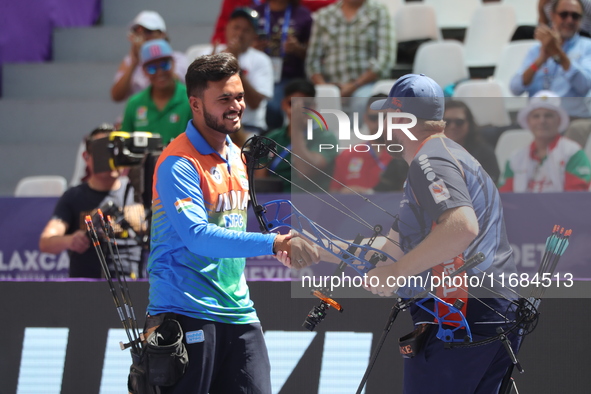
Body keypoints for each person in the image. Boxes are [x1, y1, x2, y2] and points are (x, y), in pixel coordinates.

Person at [296, 74, 522, 392]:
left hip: (463, 314)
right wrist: (318, 246)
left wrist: (398, 272)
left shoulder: (431, 159)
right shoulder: (443, 155)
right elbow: (390, 247)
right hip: (484, 313)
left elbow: (462, 226)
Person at [146, 53, 318, 393]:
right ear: (195, 104)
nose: (236, 105)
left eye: (238, 96)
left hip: (238, 312)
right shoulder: (177, 163)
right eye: (224, 98)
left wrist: (281, 246)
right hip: (184, 310)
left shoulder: (238, 158)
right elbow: (197, 236)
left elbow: (232, 231)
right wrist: (274, 243)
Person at [39, 124, 145, 279]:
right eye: (102, 151)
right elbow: (46, 242)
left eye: (114, 150)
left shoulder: (139, 192)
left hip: (138, 284)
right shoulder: (74, 196)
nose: (109, 157)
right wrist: (70, 241)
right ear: (86, 157)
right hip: (90, 289)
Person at [193, 7, 274, 135]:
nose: (239, 34)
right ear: (227, 28)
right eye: (236, 27)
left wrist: (234, 65)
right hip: (213, 126)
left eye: (246, 30)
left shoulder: (261, 60)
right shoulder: (208, 54)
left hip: (248, 128)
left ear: (254, 35)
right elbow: (197, 94)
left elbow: (255, 103)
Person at [305, 0, 395, 115]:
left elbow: (385, 59)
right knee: (310, 104)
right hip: (330, 84)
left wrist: (353, 86)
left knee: (364, 103)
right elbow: (312, 62)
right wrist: (327, 90)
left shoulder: (379, 12)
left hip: (367, 84)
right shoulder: (324, 16)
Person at [510, 0, 591, 121]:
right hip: (538, 121)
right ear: (552, 15)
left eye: (575, 16)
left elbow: (584, 86)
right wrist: (540, 60)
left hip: (572, 119)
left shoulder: (587, 47)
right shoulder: (536, 50)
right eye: (564, 14)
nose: (569, 20)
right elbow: (515, 88)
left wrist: (558, 54)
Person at [499, 91, 591, 192]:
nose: (542, 121)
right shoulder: (515, 158)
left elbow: (575, 199)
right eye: (536, 116)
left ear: (559, 120)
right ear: (528, 121)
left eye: (548, 116)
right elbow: (504, 199)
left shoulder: (573, 153)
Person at [260, 78, 338, 192]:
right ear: (283, 104)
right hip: (276, 204)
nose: (300, 109)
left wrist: (296, 129)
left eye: (306, 104)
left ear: (314, 106)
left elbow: (305, 171)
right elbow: (259, 184)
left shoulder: (326, 138)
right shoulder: (270, 139)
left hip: (311, 205)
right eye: (293, 103)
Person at [252, 0, 313, 130]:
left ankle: (271, 141)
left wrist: (298, 48)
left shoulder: (303, 14)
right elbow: (242, 44)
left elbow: (312, 54)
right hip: (257, 75)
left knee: (273, 106)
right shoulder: (255, 12)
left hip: (289, 76)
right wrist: (253, 49)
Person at [120, 39, 192, 145]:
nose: (160, 72)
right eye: (152, 68)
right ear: (144, 71)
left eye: (164, 65)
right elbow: (124, 143)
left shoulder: (190, 98)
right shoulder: (134, 103)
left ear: (173, 64)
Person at [111, 10, 188, 102]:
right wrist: (134, 63)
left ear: (162, 34)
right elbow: (116, 96)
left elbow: (172, 86)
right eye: (137, 31)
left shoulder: (178, 58)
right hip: (139, 113)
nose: (142, 36)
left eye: (148, 31)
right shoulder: (129, 61)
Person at [329, 94, 392, 193]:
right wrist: (343, 193)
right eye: (373, 118)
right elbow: (333, 195)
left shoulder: (406, 156)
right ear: (365, 119)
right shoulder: (347, 155)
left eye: (384, 118)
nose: (379, 123)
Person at [444, 100, 500, 183]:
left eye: (459, 122)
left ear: (469, 124)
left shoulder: (485, 154)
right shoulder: (429, 152)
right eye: (446, 122)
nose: (452, 126)